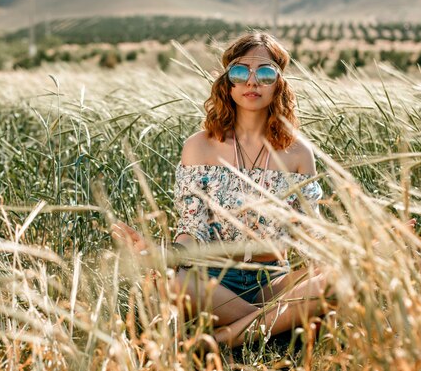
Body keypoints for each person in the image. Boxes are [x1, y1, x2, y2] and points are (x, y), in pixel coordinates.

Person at [112, 32, 333, 348]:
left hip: (274, 280)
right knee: (168, 283)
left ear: (279, 83)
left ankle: (223, 339)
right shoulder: (199, 147)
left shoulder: (298, 153)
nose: (252, 82)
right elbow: (192, 230)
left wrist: (363, 251)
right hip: (214, 282)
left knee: (340, 277)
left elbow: (313, 233)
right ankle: (277, 326)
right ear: (227, 82)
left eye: (265, 73)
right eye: (241, 72)